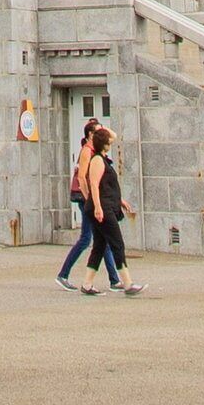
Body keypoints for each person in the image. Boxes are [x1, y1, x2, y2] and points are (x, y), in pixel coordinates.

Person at [89, 126, 143, 297]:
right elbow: (94, 185)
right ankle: (127, 283)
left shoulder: (104, 159)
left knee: (99, 246)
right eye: (107, 141)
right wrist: (98, 207)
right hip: (102, 209)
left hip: (108, 205)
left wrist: (120, 201)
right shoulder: (97, 160)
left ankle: (87, 283)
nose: (110, 143)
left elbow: (107, 187)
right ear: (103, 144)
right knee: (117, 243)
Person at [58, 120, 108, 293]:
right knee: (88, 238)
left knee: (100, 238)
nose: (102, 134)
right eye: (98, 132)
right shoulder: (87, 151)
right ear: (90, 135)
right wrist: (90, 201)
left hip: (88, 198)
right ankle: (63, 275)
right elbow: (81, 178)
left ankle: (116, 279)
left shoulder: (94, 150)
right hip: (84, 198)